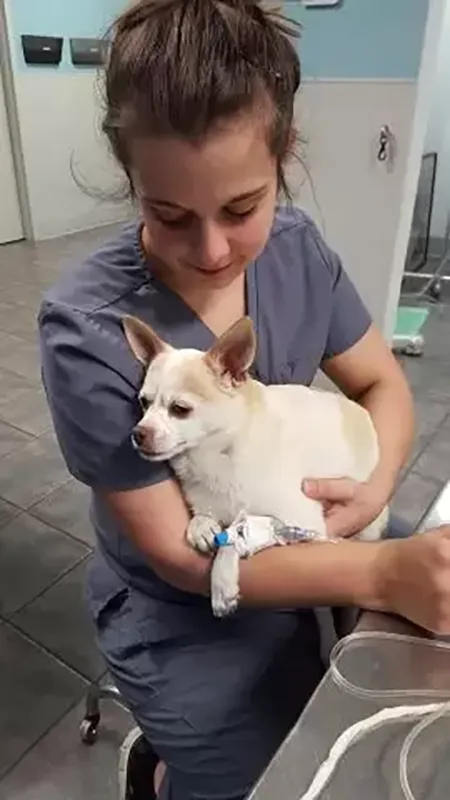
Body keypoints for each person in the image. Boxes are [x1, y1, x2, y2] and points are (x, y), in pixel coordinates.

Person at [38, 2, 450, 799]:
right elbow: (176, 555)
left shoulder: (296, 248)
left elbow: (380, 384)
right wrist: (375, 571)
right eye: (169, 215)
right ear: (133, 183)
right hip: (188, 606)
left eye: (241, 208)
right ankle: (161, 771)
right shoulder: (87, 329)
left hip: (314, 530)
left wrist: (373, 488)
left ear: (284, 155)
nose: (214, 251)